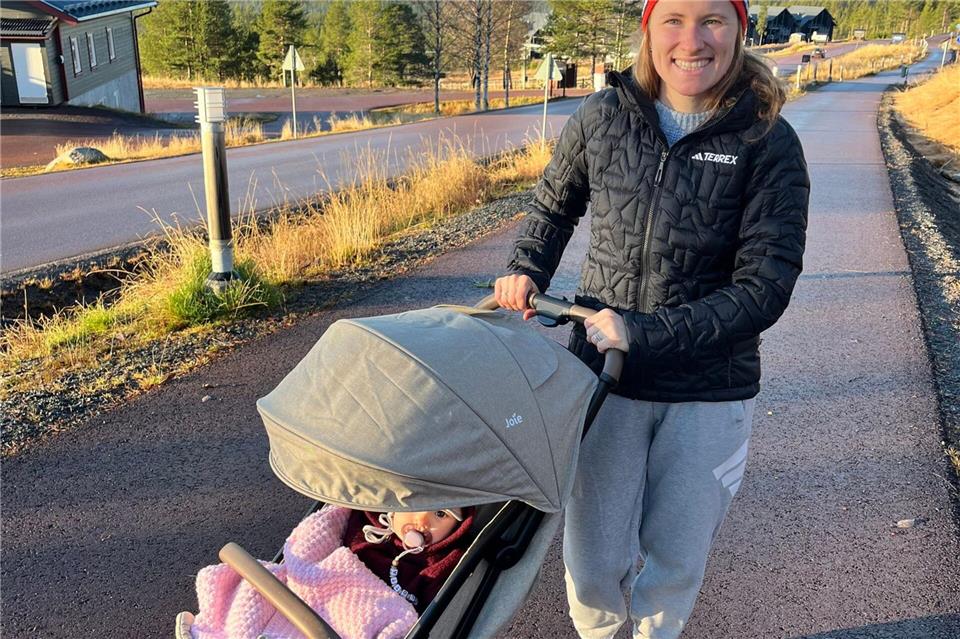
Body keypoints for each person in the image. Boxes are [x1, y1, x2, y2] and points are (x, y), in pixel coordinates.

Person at [494, 1, 809, 638]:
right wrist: (527, 266)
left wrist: (644, 332)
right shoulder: (604, 116)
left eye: (712, 20)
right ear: (648, 27)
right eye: (674, 19)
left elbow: (764, 287)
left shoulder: (767, 139)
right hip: (603, 384)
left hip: (707, 391)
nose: (692, 40)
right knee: (592, 564)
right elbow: (553, 207)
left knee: (673, 564)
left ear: (739, 29)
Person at [181, 506, 474, 639]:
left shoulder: (441, 562)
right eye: (416, 504)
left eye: (441, 515)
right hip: (311, 588)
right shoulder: (360, 520)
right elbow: (310, 541)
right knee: (257, 593)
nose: (422, 519)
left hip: (363, 616)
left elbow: (424, 612)